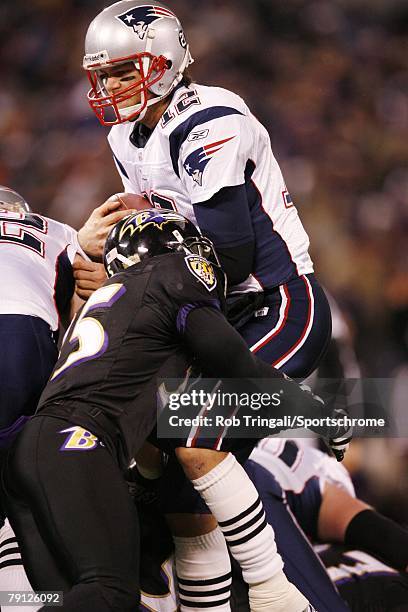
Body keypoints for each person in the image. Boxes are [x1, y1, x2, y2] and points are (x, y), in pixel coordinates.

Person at [3, 209, 348, 612]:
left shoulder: (115, 307)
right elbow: (236, 363)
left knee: (56, 599)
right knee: (111, 593)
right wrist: (316, 412)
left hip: (27, 453)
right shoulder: (173, 274)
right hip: (78, 445)